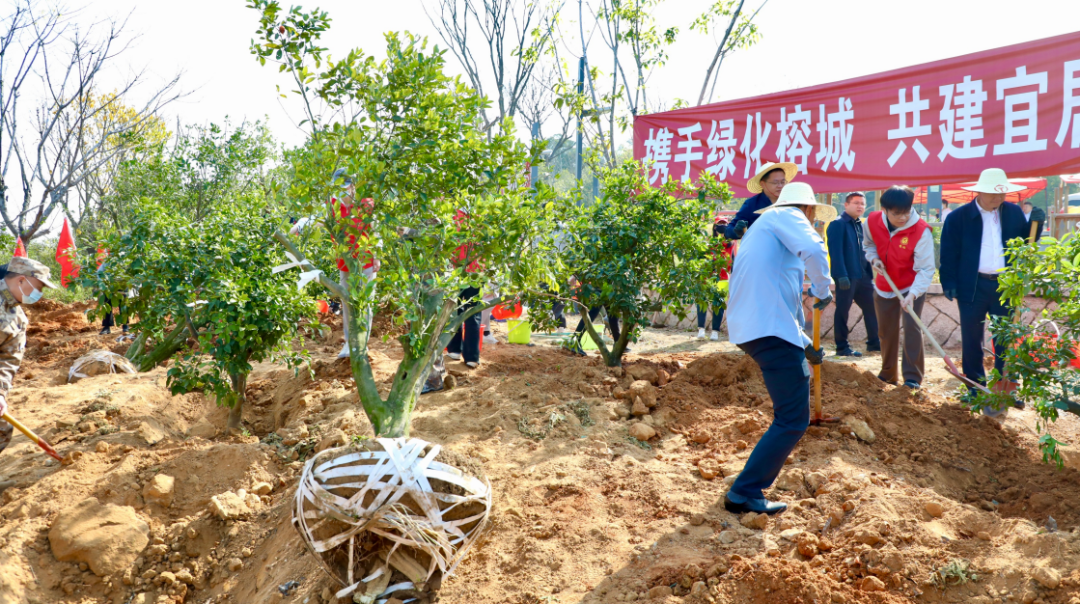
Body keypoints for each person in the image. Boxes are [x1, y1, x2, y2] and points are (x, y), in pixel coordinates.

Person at [723, 182, 834, 515]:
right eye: (812, 215)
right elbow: (814, 250)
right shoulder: (787, 215)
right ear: (809, 211)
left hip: (759, 329)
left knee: (790, 416)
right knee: (792, 419)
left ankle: (746, 489)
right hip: (767, 330)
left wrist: (802, 343)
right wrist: (822, 288)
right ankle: (744, 492)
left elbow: (775, 299)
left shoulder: (766, 229)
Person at [939, 169, 1029, 410]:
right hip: (972, 285)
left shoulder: (1013, 212)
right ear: (979, 191)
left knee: (1006, 338)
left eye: (1001, 195)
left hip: (1005, 285)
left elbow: (1026, 244)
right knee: (971, 339)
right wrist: (948, 282)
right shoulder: (958, 218)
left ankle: (1007, 388)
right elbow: (948, 252)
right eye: (992, 196)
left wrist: (1036, 227)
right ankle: (974, 388)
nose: (997, 200)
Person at [862, 186, 935, 389]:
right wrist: (873, 258)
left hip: (912, 286)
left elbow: (926, 269)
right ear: (884, 209)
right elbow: (868, 245)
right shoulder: (871, 221)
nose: (902, 218)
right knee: (886, 331)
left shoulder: (921, 231)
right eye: (897, 214)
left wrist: (912, 294)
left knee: (912, 329)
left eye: (906, 212)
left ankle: (912, 378)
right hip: (884, 284)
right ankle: (888, 374)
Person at [0, 258, 57, 456]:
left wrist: (0, 392)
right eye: (39, 287)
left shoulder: (18, 319)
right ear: (22, 280)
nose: (39, 294)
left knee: (2, 429)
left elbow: (9, 360)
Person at [826, 192, 879, 357]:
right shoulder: (837, 224)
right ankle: (842, 347)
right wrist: (840, 274)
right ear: (846, 205)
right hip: (846, 276)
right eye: (856, 203)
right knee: (843, 310)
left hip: (863, 276)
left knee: (873, 307)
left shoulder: (859, 225)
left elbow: (864, 252)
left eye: (862, 204)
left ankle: (874, 344)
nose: (860, 206)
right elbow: (835, 252)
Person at [446, 209, 482, 369]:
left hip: (456, 270)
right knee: (472, 312)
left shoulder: (453, 216)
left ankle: (454, 349)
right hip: (475, 270)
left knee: (454, 311)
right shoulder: (479, 217)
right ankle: (471, 357)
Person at [724, 162, 798, 240]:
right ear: (763, 184)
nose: (780, 186)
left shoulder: (793, 202)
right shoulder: (751, 205)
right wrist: (737, 231)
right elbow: (728, 231)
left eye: (783, 182)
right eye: (775, 182)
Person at [697, 217, 733, 341]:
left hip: (722, 278)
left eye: (724, 224)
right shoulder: (708, 243)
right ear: (714, 227)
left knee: (718, 304)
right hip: (706, 277)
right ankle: (701, 329)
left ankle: (715, 331)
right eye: (720, 224)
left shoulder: (730, 245)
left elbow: (731, 263)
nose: (722, 226)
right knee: (702, 302)